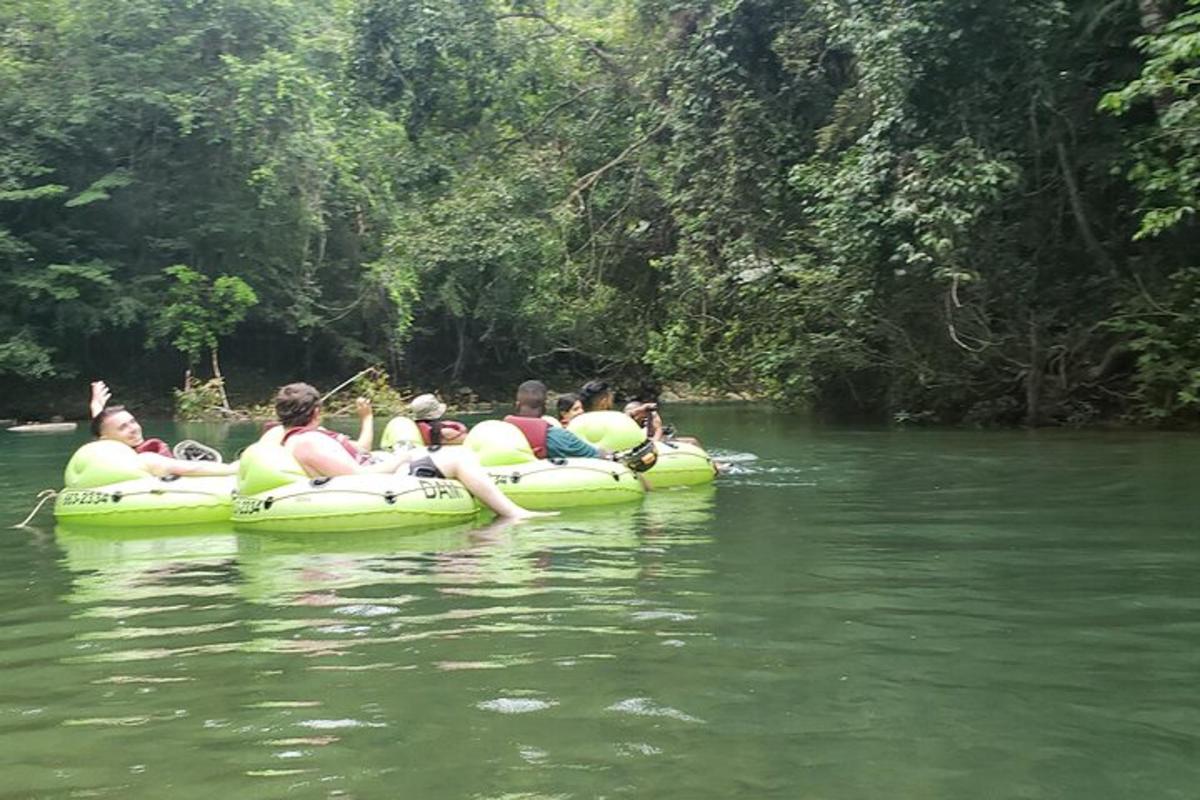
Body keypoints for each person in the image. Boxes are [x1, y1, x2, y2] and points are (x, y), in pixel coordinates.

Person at [275, 382, 553, 520]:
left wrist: (367, 420)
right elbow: (358, 475)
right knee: (460, 456)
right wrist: (402, 456)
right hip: (379, 481)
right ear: (315, 412)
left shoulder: (301, 438)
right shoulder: (310, 442)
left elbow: (357, 452)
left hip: (378, 469)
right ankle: (513, 513)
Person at [87, 380, 237, 477]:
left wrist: (96, 406)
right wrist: (237, 468)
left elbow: (102, 429)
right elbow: (192, 469)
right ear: (105, 438)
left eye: (133, 422)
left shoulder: (104, 452)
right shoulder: (144, 459)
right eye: (123, 427)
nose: (133, 429)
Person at [506, 380, 610, 460]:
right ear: (545, 406)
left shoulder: (501, 431)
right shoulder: (558, 436)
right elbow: (599, 456)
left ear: (517, 405)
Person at [624, 399, 703, 448]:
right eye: (639, 412)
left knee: (692, 441)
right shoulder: (625, 419)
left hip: (652, 442)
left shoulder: (651, 414)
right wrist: (640, 410)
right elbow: (628, 415)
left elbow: (658, 430)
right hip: (632, 443)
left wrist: (654, 443)